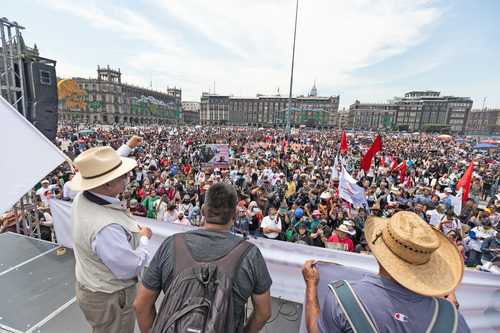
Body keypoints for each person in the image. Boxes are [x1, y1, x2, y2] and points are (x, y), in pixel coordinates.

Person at [133, 183, 272, 333]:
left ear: (203, 210)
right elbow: (263, 313)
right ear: (235, 214)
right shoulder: (251, 254)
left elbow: (141, 304)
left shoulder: (172, 244)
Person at [303, 211, 470, 333]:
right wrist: (448, 310)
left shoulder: (343, 298)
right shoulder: (452, 320)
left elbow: (315, 330)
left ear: (378, 249)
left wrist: (311, 285)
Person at [69, 136, 153, 333]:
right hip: (112, 299)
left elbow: (101, 169)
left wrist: (127, 147)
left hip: (90, 287)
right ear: (107, 184)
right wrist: (144, 238)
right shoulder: (106, 228)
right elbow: (130, 268)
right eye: (123, 175)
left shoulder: (81, 197)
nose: (127, 178)